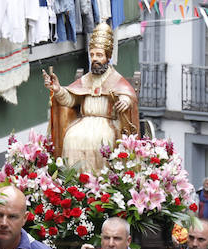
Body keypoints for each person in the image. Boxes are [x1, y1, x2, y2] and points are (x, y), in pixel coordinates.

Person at [43, 23, 139, 172]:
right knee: (71, 137)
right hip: (83, 122)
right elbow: (71, 100)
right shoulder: (86, 80)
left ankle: (100, 182)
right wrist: (58, 90)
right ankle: (75, 181)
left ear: (108, 57)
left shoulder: (116, 79)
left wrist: (125, 101)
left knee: (100, 142)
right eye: (92, 55)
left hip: (107, 124)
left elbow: (128, 94)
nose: (95, 59)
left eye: (99, 55)